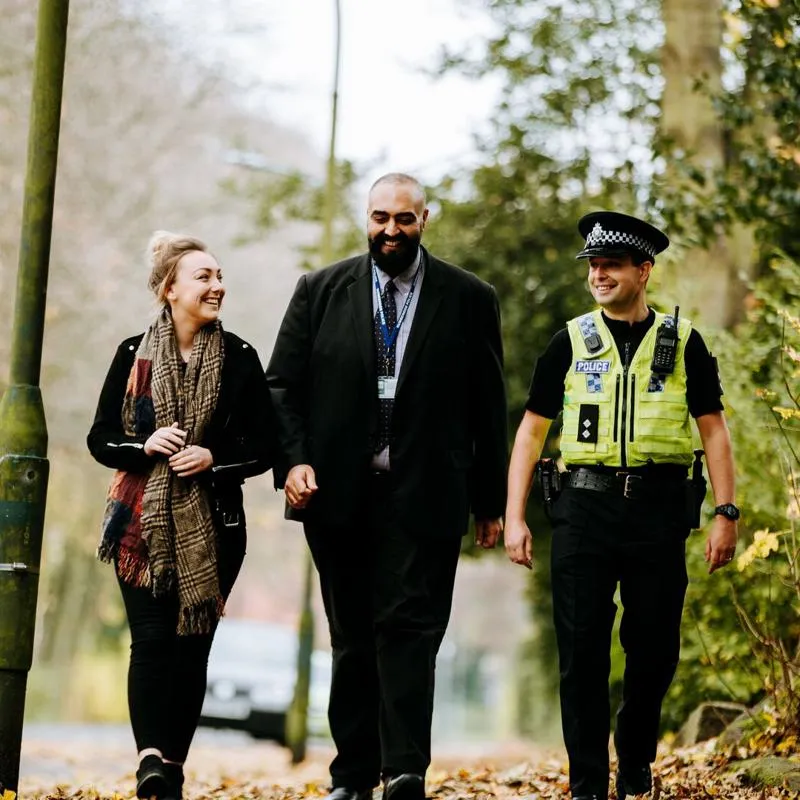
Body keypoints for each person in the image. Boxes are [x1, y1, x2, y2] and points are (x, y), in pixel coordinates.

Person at [266, 173, 508, 800]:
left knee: (409, 630)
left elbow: (489, 405)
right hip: (337, 494)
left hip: (426, 492)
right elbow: (282, 386)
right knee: (351, 637)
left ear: (425, 219)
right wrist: (292, 463)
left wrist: (490, 503)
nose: (390, 231)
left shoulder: (469, 297)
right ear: (367, 218)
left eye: (403, 219)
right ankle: (351, 776)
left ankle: (404, 771)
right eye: (380, 218)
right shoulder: (320, 291)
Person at [504, 211, 739, 800]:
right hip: (583, 510)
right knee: (581, 650)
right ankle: (586, 782)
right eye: (593, 266)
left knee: (655, 648)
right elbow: (531, 431)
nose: (599, 275)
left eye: (612, 265)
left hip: (658, 514)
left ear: (644, 270)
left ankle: (634, 758)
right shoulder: (570, 340)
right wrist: (514, 516)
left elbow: (713, 429)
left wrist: (726, 513)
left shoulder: (684, 343)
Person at [87, 231, 274, 800]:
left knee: (192, 647)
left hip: (216, 529)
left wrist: (214, 459)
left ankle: (171, 767)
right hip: (137, 524)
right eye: (204, 277)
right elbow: (100, 438)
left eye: (219, 276)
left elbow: (265, 447)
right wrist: (143, 446)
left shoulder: (240, 357)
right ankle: (149, 761)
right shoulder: (132, 354)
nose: (217, 286)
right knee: (150, 642)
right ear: (170, 289)